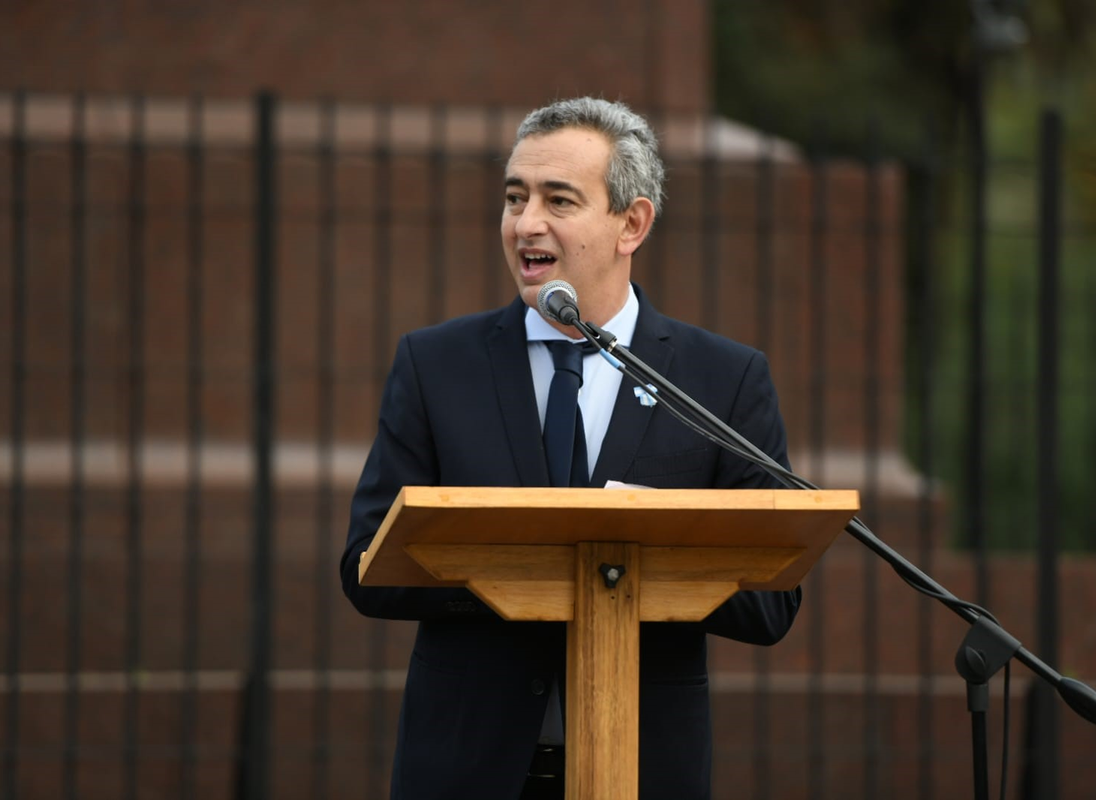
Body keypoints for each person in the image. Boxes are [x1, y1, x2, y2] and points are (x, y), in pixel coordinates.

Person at [341, 97, 801, 800]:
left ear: (632, 223)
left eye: (558, 199)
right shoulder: (436, 365)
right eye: (514, 197)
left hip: (644, 769)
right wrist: (523, 570)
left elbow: (774, 602)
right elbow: (365, 564)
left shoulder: (721, 379)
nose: (527, 223)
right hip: (467, 771)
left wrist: (651, 549)